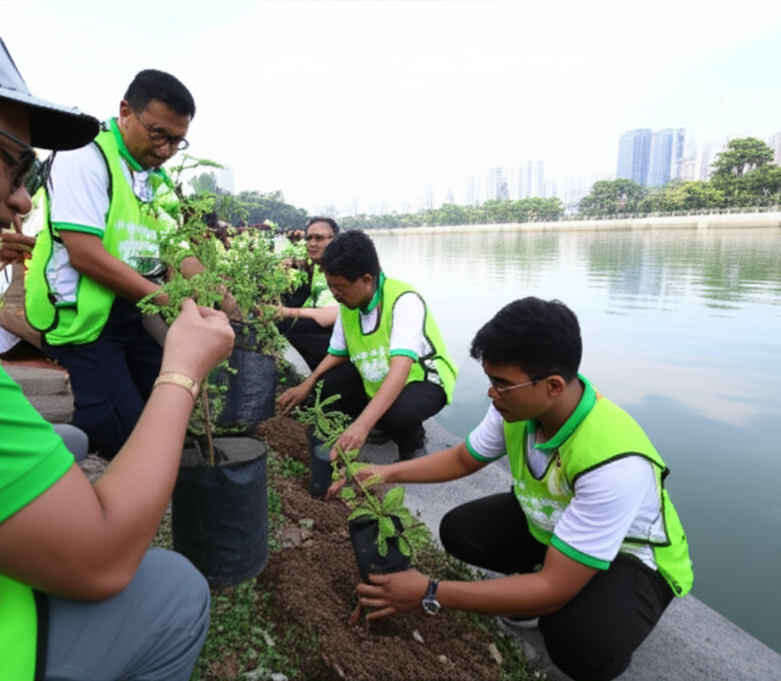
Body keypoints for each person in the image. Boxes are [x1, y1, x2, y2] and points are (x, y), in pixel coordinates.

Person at [0, 4, 235, 680]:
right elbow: (101, 560)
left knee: (66, 443)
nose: (22, 201)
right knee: (171, 579)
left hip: (117, 313)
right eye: (11, 161)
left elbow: (173, 252)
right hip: (80, 319)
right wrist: (182, 368)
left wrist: (207, 287)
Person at [338, 297, 693, 681]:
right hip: (560, 521)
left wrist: (431, 590)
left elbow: (554, 588)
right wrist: (385, 474)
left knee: (577, 644)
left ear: (553, 386)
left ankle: (608, 611)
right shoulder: (517, 407)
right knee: (460, 532)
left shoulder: (614, 461)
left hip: (632, 554)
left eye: (502, 385)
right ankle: (548, 573)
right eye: (491, 381)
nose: (492, 394)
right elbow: (462, 459)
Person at [25, 68, 197, 459]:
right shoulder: (84, 154)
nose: (168, 150)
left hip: (127, 307)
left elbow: (177, 246)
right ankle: (63, 456)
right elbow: (85, 255)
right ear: (125, 111)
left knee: (170, 398)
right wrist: (171, 301)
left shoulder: (152, 174)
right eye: (159, 135)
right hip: (82, 317)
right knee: (128, 434)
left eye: (177, 141)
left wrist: (214, 292)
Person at [277, 230, 457, 460]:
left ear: (367, 280)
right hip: (379, 373)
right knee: (327, 384)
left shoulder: (403, 300)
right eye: (331, 286)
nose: (334, 294)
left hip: (421, 379)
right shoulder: (347, 306)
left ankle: (413, 444)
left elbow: (400, 371)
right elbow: (337, 353)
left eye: (340, 287)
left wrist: (362, 425)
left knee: (399, 413)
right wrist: (308, 384)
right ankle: (380, 421)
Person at [274, 216, 340, 370]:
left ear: (334, 239)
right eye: (309, 238)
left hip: (334, 332)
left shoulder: (340, 269)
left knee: (288, 326)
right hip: (319, 323)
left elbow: (334, 316)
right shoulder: (317, 267)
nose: (312, 244)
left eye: (319, 238)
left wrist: (285, 312)